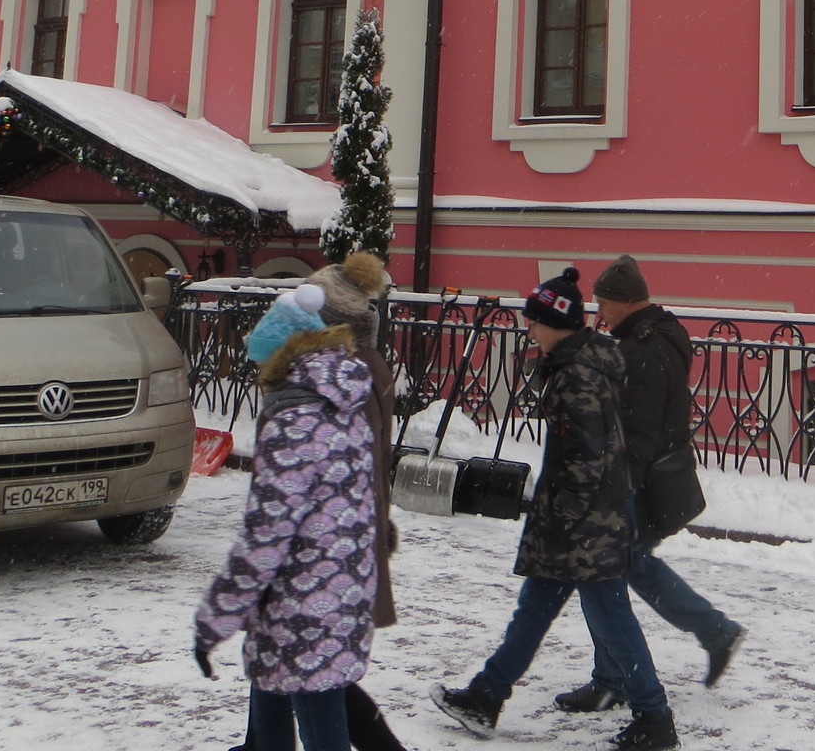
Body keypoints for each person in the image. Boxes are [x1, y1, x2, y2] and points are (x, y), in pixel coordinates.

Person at [432, 267, 678, 751]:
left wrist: (565, 513)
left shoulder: (576, 376)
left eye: (535, 322)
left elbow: (586, 456)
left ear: (556, 324)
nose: (530, 330)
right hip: (589, 517)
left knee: (610, 616)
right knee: (536, 609)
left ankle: (654, 716)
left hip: (584, 523)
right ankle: (486, 695)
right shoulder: (588, 360)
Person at [195, 257, 385, 751]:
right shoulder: (342, 406)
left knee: (323, 727)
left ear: (279, 356)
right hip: (339, 596)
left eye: (262, 361)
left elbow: (264, 538)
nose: (259, 373)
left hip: (304, 607)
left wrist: (214, 619)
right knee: (280, 695)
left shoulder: (292, 422)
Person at [555, 255, 742, 713]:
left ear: (625, 302)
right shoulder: (659, 336)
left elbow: (637, 434)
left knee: (607, 574)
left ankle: (623, 676)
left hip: (635, 484)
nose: (600, 314)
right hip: (654, 477)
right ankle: (630, 669)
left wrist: (616, 493)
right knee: (624, 571)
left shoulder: (641, 351)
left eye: (604, 305)